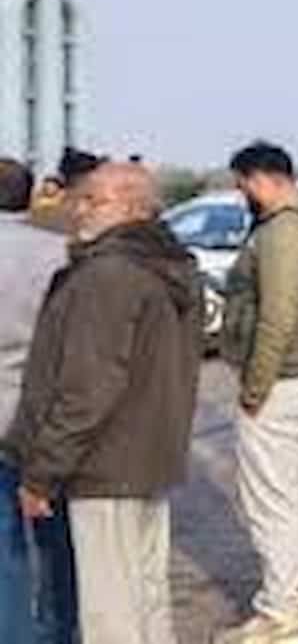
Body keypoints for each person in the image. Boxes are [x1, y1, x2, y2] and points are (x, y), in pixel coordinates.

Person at [6, 162, 202, 644]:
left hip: (105, 464)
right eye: (83, 198)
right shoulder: (166, 265)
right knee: (145, 597)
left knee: (110, 611)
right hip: (147, 459)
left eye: (95, 200)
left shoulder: (107, 275)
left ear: (134, 207)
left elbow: (86, 390)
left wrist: (42, 473)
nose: (80, 209)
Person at [218, 142, 298, 644]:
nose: (241, 195)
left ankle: (279, 614)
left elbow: (277, 316)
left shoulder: (283, 233)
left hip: (286, 379)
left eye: (242, 185)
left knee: (272, 500)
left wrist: (256, 386)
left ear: (262, 179)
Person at [0, 159, 77, 644]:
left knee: (3, 541)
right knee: (57, 535)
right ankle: (60, 628)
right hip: (48, 415)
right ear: (29, 197)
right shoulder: (61, 254)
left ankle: (12, 632)